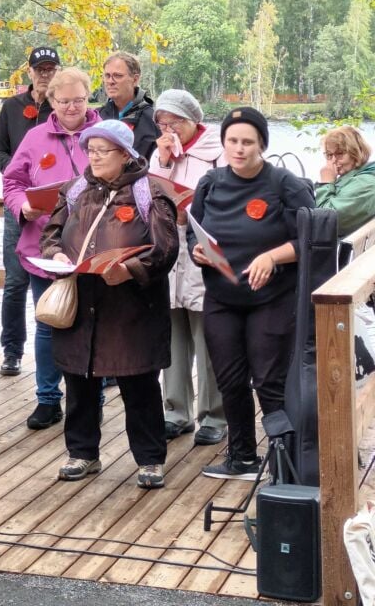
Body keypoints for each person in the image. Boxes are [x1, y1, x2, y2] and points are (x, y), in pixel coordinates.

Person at [40, 119, 178, 488]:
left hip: (132, 307)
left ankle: (150, 459)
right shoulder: (75, 190)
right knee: (79, 380)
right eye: (90, 150)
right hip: (81, 300)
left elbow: (165, 249)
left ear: (125, 154)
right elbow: (50, 234)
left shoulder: (151, 192)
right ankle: (82, 452)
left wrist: (131, 269)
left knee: (139, 382)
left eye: (103, 151)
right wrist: (56, 256)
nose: (94, 157)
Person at [188, 107, 315, 481]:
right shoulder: (210, 182)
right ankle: (242, 457)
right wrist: (198, 252)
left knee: (269, 381)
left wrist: (272, 257)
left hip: (271, 299)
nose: (239, 149)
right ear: (223, 142)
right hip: (222, 298)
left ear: (262, 144)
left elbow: (311, 238)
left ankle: (284, 465)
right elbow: (193, 231)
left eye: (248, 142)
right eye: (232, 141)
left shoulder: (284, 184)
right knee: (229, 379)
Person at [3, 67, 100, 429]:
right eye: (63, 101)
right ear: (51, 101)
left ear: (89, 97)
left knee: (92, 325)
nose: (72, 107)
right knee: (48, 322)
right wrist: (21, 207)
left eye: (79, 99)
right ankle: (47, 398)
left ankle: (92, 396)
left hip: (94, 245)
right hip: (45, 245)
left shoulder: (105, 135)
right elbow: (12, 181)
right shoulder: (34, 138)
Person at [148, 90, 227, 446]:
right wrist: (163, 163)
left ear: (192, 119)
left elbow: (229, 199)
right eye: (162, 123)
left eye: (174, 122)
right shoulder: (159, 151)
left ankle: (214, 414)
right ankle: (175, 410)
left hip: (202, 248)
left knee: (208, 334)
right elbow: (147, 195)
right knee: (172, 333)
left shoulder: (217, 151)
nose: (168, 129)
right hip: (170, 248)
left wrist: (193, 211)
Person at [0, 46, 59, 377]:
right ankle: (12, 351)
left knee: (53, 278)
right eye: (40, 69)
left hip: (56, 208)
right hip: (19, 204)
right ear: (29, 72)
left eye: (50, 68)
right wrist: (16, 172)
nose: (45, 74)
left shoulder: (62, 109)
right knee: (15, 281)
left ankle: (54, 353)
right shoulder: (12, 106)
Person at [315, 125, 375, 238]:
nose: (333, 161)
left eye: (340, 154)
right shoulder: (353, 177)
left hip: (333, 252)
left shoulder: (365, 183)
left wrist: (325, 184)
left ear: (356, 153)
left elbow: (325, 221)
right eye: (329, 155)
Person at [98, 52, 159, 159]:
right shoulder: (97, 117)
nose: (110, 81)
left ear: (135, 79)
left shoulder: (154, 120)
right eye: (107, 76)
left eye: (117, 76)